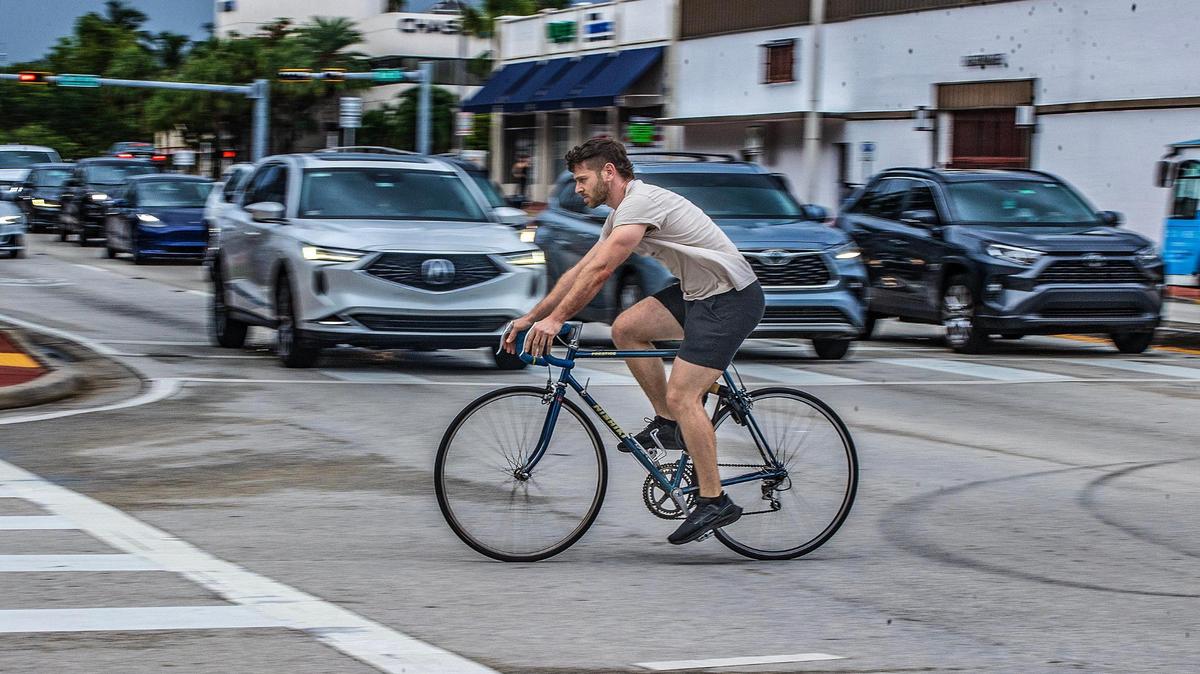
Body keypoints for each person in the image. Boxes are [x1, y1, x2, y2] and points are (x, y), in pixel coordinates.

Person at [503, 137, 764, 545]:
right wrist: (533, 317)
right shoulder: (618, 217)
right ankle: (670, 425)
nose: (577, 188)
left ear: (609, 172)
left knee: (684, 395)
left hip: (730, 297)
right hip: (698, 293)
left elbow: (602, 271)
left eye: (582, 178)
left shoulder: (641, 203)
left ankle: (714, 500)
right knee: (627, 328)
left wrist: (557, 321)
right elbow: (579, 271)